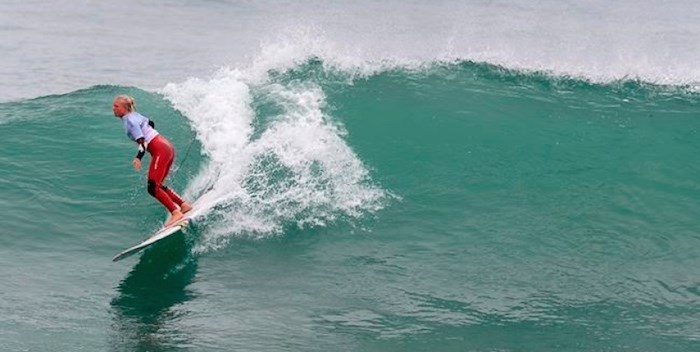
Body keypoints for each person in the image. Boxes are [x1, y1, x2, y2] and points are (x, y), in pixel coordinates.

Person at [112, 95, 192, 227]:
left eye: (116, 106)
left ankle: (176, 213)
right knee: (158, 185)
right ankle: (183, 205)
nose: (113, 109)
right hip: (166, 146)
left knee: (152, 187)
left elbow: (142, 143)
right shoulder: (135, 115)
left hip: (161, 150)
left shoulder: (130, 121)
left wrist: (138, 157)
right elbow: (151, 123)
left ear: (124, 108)